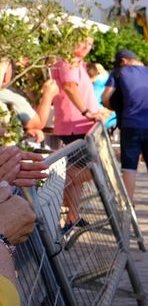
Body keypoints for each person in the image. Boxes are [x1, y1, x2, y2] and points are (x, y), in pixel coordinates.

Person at [101, 49, 148, 217]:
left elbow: (105, 98)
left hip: (130, 125)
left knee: (129, 168)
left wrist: (116, 106)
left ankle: (129, 206)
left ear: (123, 61)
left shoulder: (119, 72)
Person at [51, 37, 106, 229]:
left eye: (90, 43)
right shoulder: (69, 61)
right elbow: (69, 86)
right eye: (83, 41)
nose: (86, 47)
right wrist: (86, 112)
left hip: (80, 124)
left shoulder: (76, 62)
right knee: (92, 169)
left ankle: (72, 217)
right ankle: (53, 183)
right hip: (75, 124)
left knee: (80, 171)